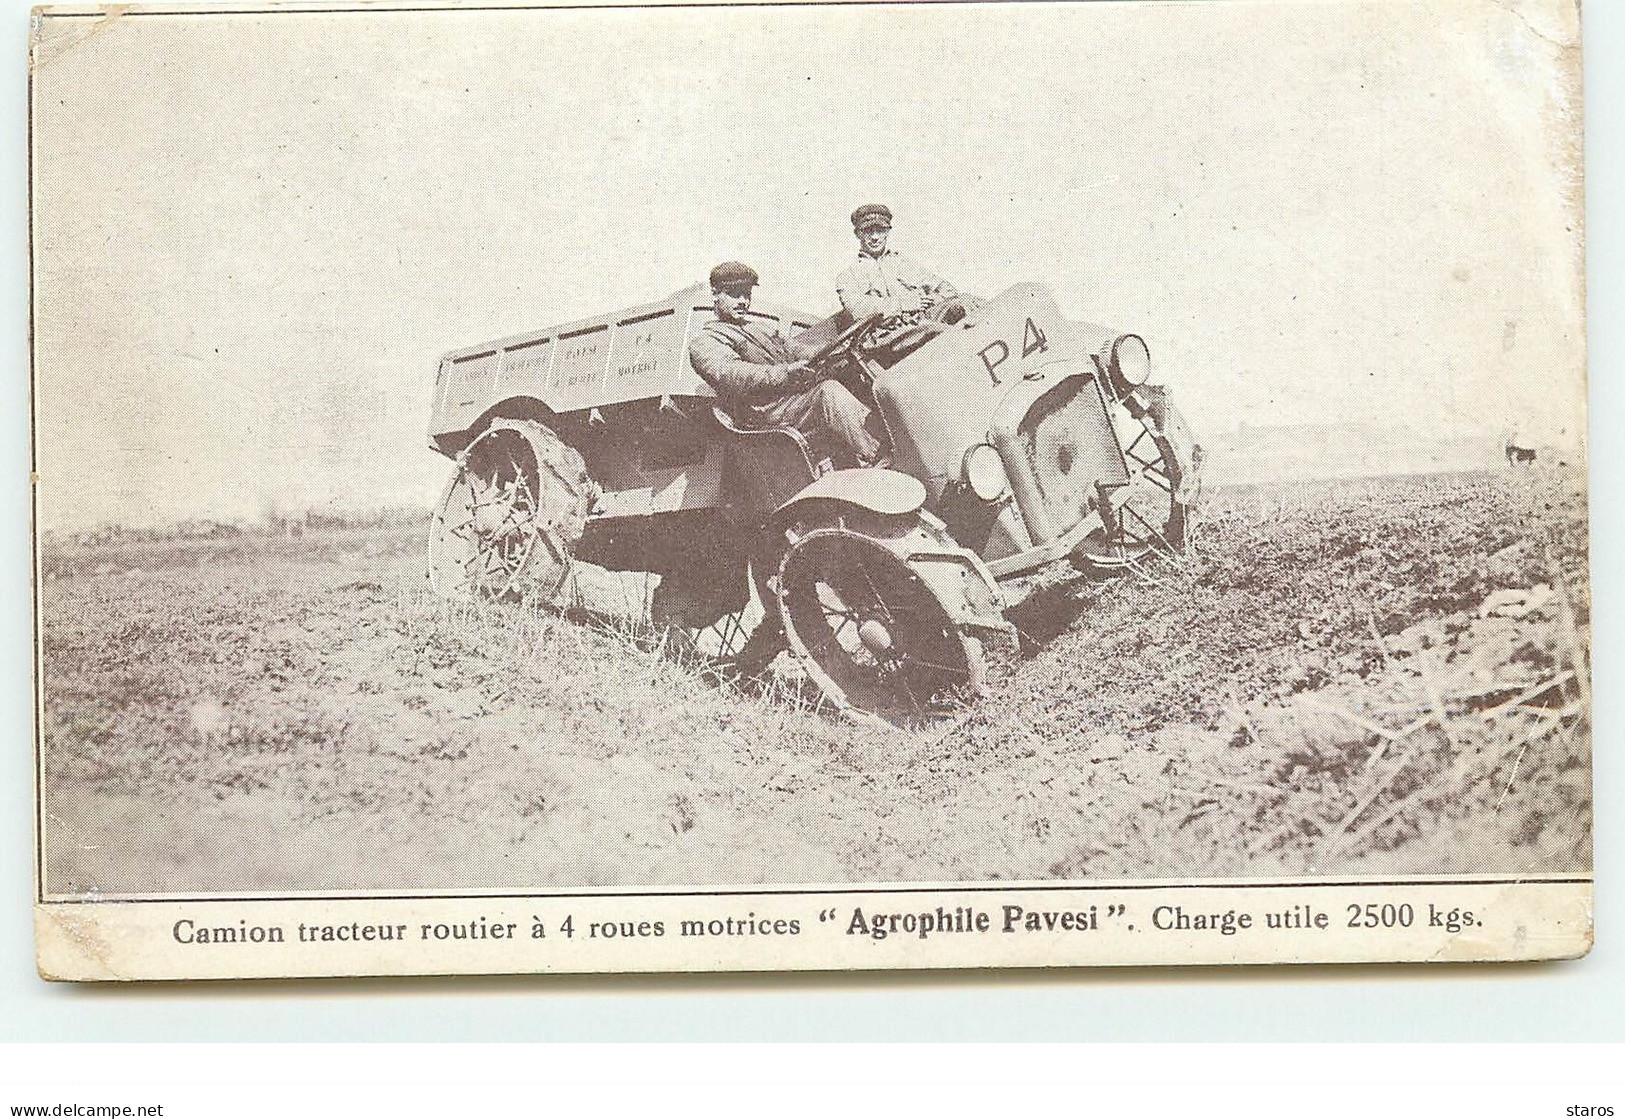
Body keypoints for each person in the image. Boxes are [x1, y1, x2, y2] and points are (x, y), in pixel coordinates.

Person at [688, 260, 885, 467]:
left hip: (793, 401)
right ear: (715, 294)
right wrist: (787, 372)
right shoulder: (705, 342)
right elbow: (735, 374)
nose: (743, 301)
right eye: (734, 294)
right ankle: (877, 455)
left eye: (746, 294)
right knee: (828, 392)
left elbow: (796, 350)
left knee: (852, 372)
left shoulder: (759, 329)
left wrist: (837, 353)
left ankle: (889, 437)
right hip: (767, 415)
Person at [835, 204, 981, 365]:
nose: (875, 237)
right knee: (939, 332)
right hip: (887, 336)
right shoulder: (848, 276)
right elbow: (859, 309)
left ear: (888, 232)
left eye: (880, 231)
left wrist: (935, 298)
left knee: (966, 303)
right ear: (858, 234)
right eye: (869, 231)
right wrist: (904, 304)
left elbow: (942, 286)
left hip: (920, 320)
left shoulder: (902, 263)